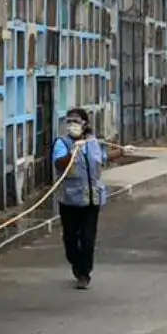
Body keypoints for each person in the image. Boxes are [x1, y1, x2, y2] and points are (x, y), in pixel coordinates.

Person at [52, 108, 119, 289]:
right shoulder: (62, 143)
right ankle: (75, 262)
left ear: (85, 124)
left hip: (92, 199)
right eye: (69, 122)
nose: (72, 125)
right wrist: (72, 154)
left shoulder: (93, 143)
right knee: (70, 239)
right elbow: (59, 164)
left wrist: (123, 152)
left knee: (88, 239)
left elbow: (103, 159)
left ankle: (84, 273)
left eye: (76, 122)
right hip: (70, 200)